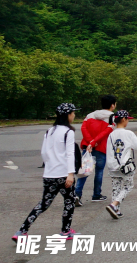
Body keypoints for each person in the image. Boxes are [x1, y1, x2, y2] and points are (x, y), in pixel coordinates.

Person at [15, 103, 80, 242]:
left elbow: (44, 152)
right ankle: (65, 231)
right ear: (68, 115)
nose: (74, 115)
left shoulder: (49, 131)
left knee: (44, 203)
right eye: (73, 113)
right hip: (63, 174)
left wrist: (50, 166)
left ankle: (22, 231)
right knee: (69, 202)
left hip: (49, 174)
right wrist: (70, 174)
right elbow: (70, 154)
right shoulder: (69, 132)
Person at [105, 110, 137, 220]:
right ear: (123, 119)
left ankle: (116, 210)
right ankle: (113, 205)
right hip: (125, 166)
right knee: (128, 186)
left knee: (116, 187)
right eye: (128, 119)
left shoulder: (111, 135)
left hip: (112, 166)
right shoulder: (128, 133)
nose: (128, 121)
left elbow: (109, 150)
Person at [76, 94, 117, 206]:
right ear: (112, 105)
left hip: (88, 147)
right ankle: (96, 195)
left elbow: (83, 128)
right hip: (101, 147)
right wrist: (95, 142)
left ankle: (77, 194)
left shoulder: (90, 115)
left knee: (84, 171)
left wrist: (90, 142)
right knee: (99, 172)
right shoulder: (113, 117)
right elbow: (107, 132)